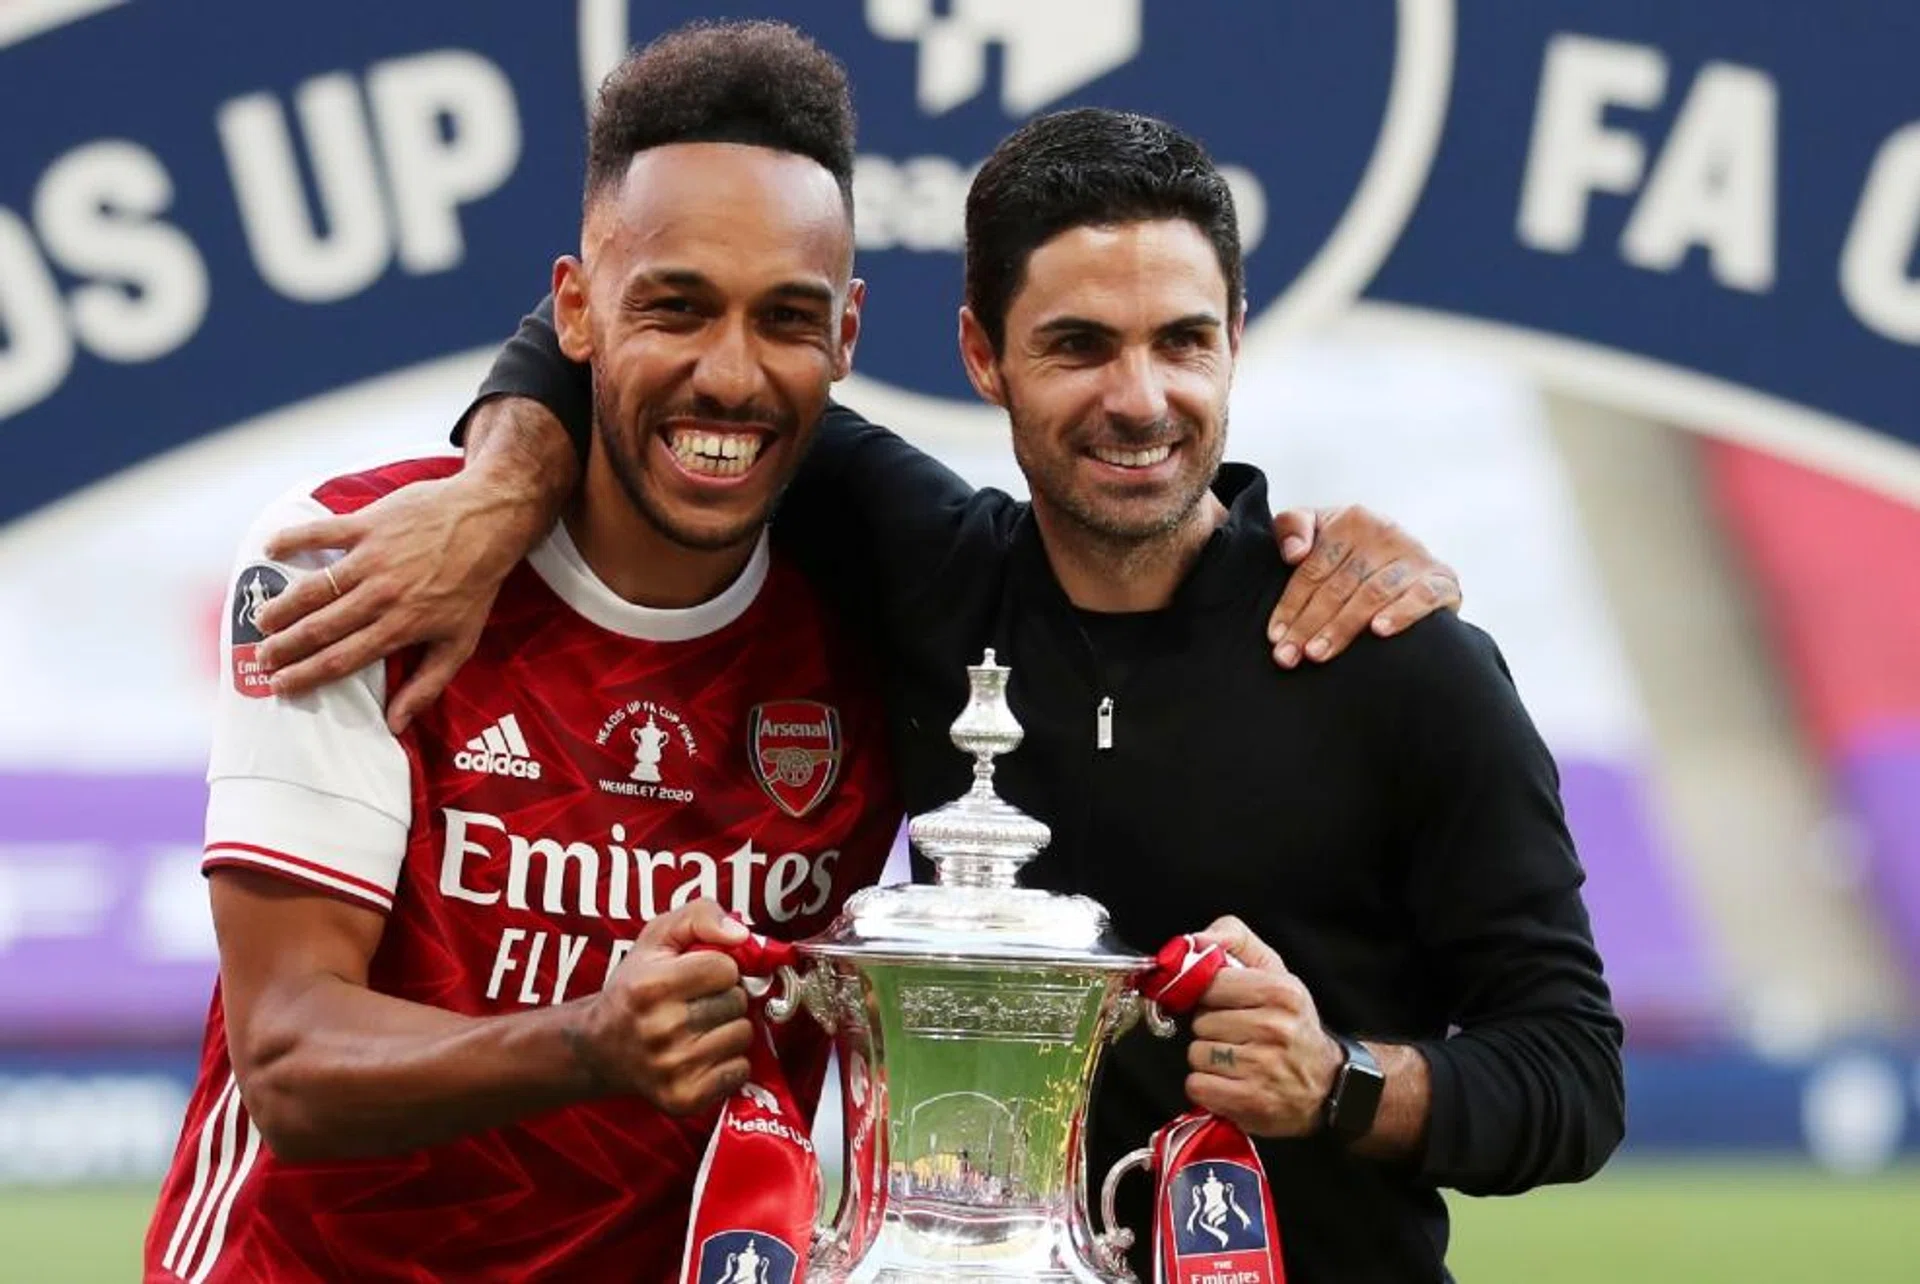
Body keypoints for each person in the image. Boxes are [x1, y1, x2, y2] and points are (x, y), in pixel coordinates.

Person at [243, 53, 1574, 1284]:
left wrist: (1339, 1078)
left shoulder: (1393, 658)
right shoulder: (921, 572)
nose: (1139, 397)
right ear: (980, 355)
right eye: (1077, 346)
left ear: (1235, 333)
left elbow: (1570, 1072)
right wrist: (500, 483)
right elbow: (638, 350)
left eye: (1180, 340)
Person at [145, 25, 912, 1282]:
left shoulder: (886, 622)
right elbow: (286, 1055)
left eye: (787, 317)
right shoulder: (350, 564)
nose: (731, 373)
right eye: (673, 306)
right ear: (575, 308)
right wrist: (592, 1041)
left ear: (850, 334)